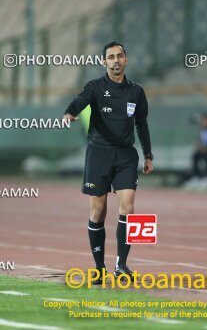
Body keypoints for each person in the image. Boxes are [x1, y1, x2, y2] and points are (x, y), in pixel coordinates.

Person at [62, 42, 154, 283]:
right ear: (104, 62)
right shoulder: (95, 87)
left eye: (119, 56)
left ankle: (121, 265)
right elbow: (80, 101)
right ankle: (99, 268)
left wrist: (148, 155)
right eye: (111, 57)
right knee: (98, 211)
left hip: (125, 155)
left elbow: (142, 125)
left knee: (129, 208)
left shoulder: (136, 91)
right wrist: (69, 113)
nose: (115, 60)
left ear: (126, 59)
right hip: (99, 154)